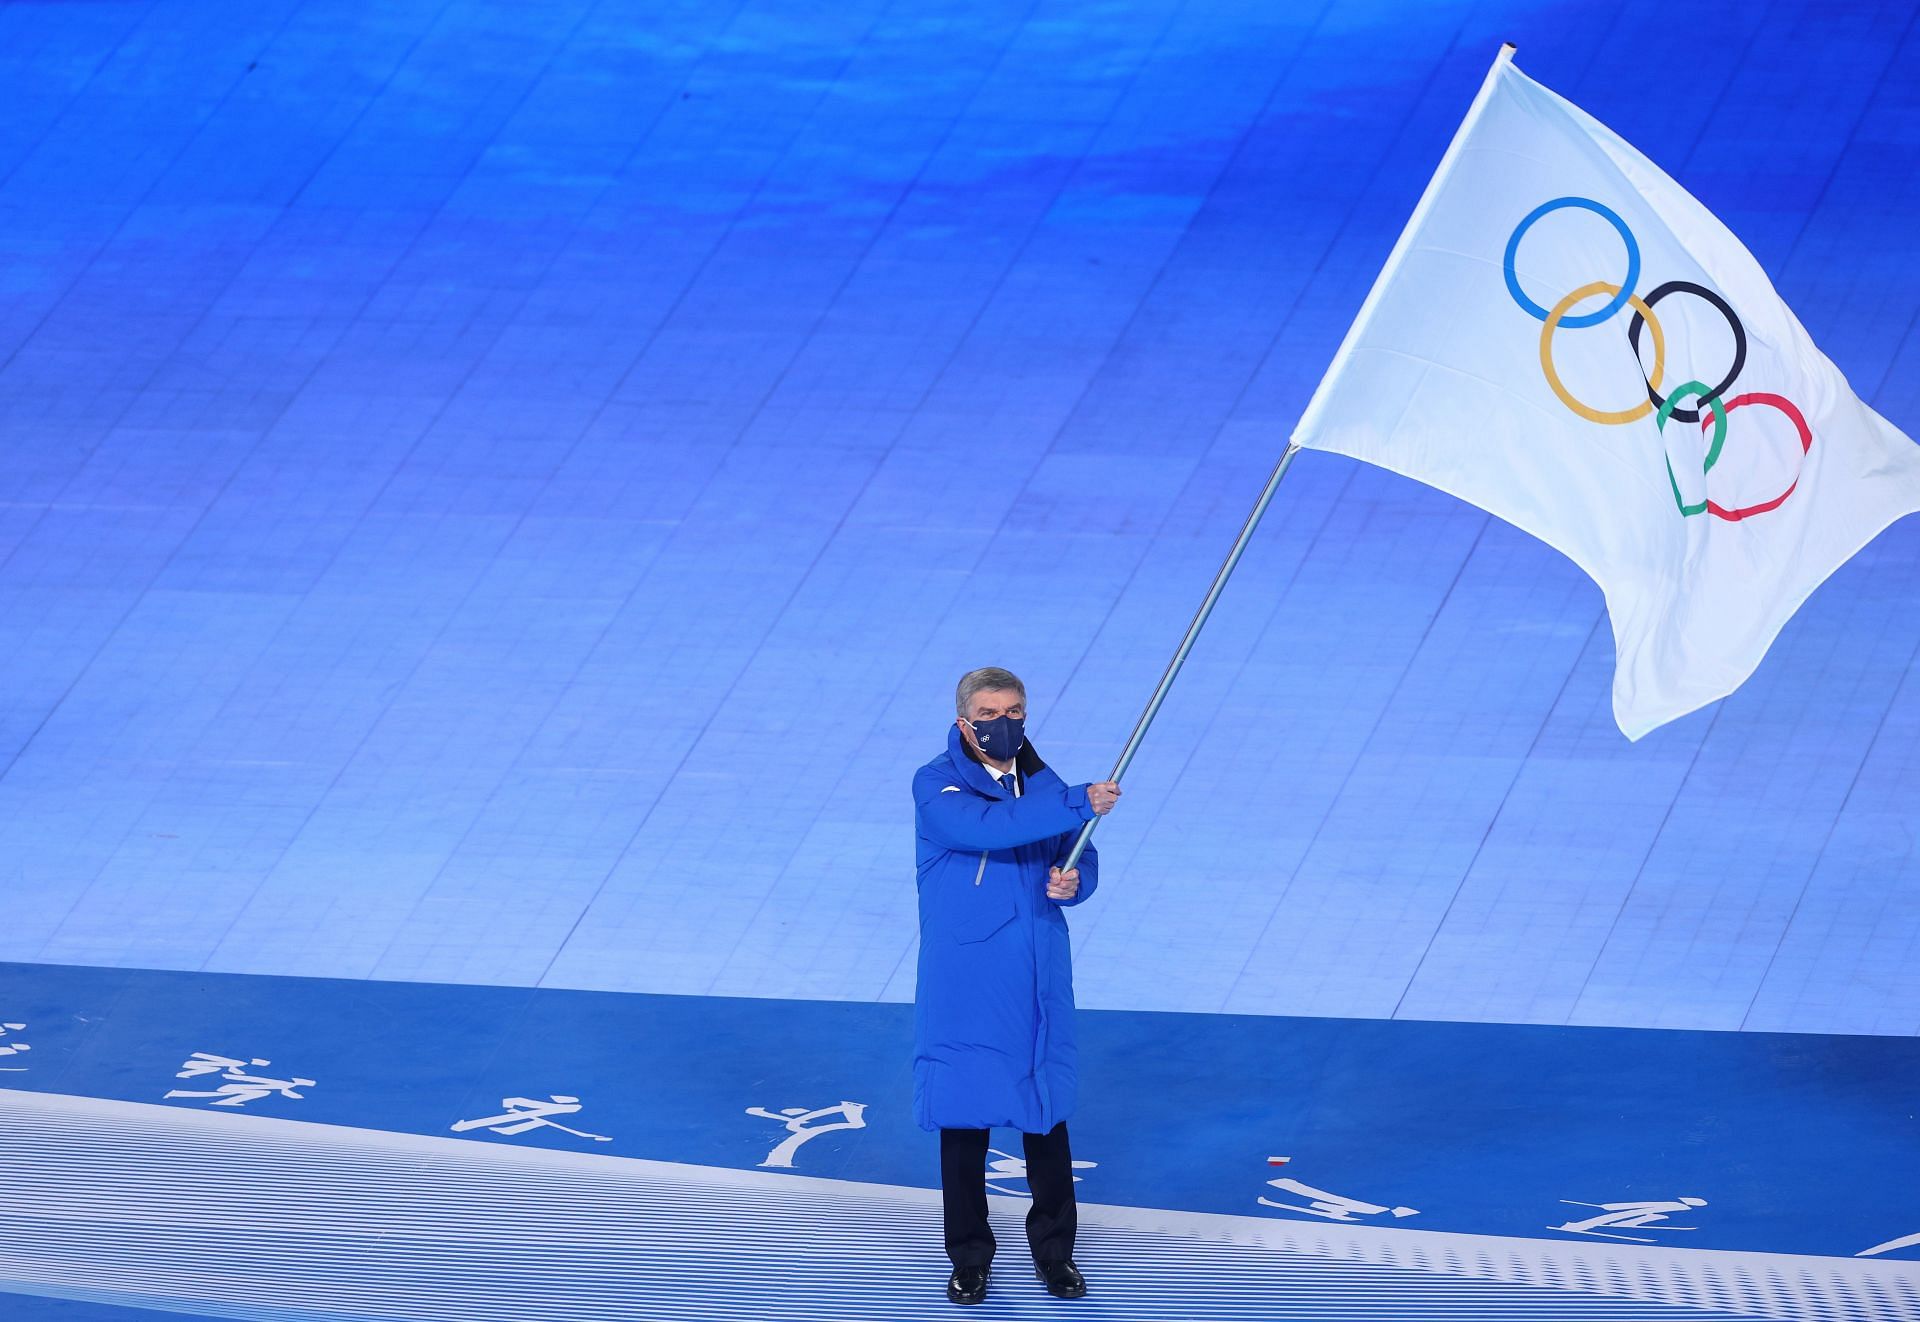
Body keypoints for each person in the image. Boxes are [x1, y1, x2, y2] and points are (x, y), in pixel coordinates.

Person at [911, 666, 1121, 1306]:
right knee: (963, 1116)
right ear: (963, 721)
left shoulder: (1047, 784)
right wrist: (1077, 802)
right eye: (989, 712)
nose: (1003, 724)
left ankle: (1056, 1254)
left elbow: (1076, 852)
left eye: (1014, 712)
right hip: (968, 977)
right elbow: (986, 829)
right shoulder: (935, 783)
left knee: (1044, 1112)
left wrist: (1073, 882)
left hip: (1035, 973)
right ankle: (969, 1255)